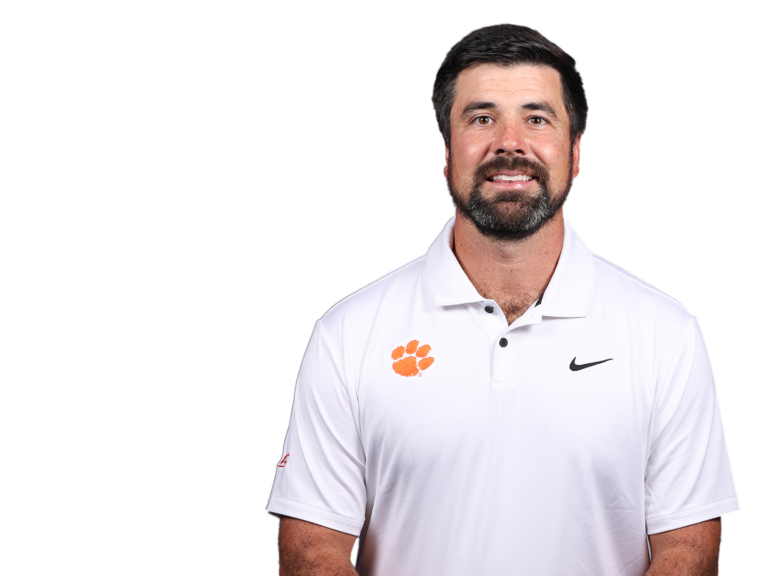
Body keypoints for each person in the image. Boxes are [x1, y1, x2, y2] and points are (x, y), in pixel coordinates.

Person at [267, 24, 739, 576]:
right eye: (482, 118)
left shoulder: (664, 335)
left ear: (574, 152)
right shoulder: (348, 335)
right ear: (448, 152)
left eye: (537, 119)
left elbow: (688, 551)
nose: (509, 143)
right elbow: (311, 550)